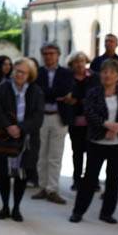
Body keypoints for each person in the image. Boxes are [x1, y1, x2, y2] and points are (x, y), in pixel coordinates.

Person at [70, 60, 118, 224]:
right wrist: (106, 124)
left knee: (113, 179)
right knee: (90, 179)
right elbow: (89, 112)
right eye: (104, 72)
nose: (107, 75)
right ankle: (78, 211)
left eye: (111, 72)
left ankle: (107, 213)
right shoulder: (94, 92)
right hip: (97, 142)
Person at [0, 57, 44, 221]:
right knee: (3, 173)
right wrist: (8, 126)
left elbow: (38, 116)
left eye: (23, 72)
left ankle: (17, 207)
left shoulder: (36, 91)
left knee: (22, 173)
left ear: (30, 75)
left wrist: (21, 128)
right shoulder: (3, 87)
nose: (19, 75)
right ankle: (5, 206)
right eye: (17, 71)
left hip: (25, 139)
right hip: (4, 138)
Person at [30, 43, 74, 205]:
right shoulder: (37, 73)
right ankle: (42, 187)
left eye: (52, 53)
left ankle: (52, 189)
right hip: (41, 117)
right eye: (46, 54)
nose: (49, 56)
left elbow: (65, 91)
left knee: (55, 155)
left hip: (58, 117)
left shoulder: (66, 73)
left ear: (58, 55)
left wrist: (50, 94)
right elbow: (37, 93)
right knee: (41, 154)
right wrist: (56, 95)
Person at [63, 51, 93, 191]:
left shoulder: (93, 77)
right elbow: (67, 97)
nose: (80, 64)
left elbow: (93, 97)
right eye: (76, 61)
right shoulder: (68, 78)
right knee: (77, 151)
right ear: (72, 64)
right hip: (74, 120)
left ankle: (91, 180)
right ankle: (76, 179)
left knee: (92, 151)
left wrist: (78, 100)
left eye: (82, 61)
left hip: (91, 121)